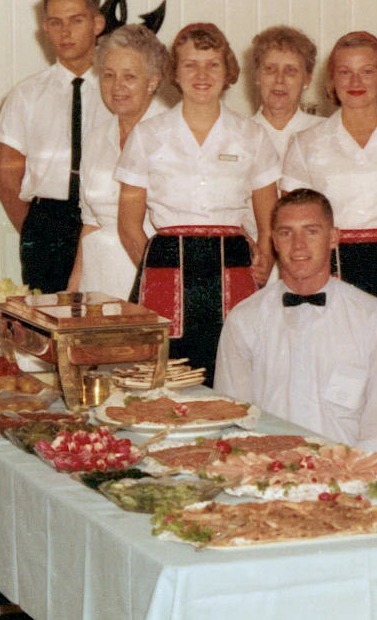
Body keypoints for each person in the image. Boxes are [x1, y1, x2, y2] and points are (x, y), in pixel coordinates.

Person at [116, 23, 280, 382]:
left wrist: (265, 256)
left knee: (237, 368)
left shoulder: (252, 136)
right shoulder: (148, 135)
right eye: (190, 64)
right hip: (167, 263)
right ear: (174, 72)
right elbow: (129, 223)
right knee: (165, 374)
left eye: (213, 64)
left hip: (233, 263)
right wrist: (154, 270)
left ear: (228, 72)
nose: (202, 75)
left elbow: (268, 217)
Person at [215, 190, 377, 457]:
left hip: (345, 479)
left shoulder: (371, 317)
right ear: (273, 241)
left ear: (333, 237)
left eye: (311, 231)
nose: (298, 246)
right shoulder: (244, 319)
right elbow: (232, 420)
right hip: (267, 474)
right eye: (286, 233)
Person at [281, 32, 377, 340]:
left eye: (367, 71)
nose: (355, 81)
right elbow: (294, 224)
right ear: (331, 80)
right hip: (329, 264)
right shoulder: (306, 144)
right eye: (345, 72)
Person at [0, 0, 107, 293]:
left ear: (97, 23)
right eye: (55, 23)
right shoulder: (26, 96)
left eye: (76, 21)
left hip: (105, 215)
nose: (65, 32)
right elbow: (6, 179)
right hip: (49, 223)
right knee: (49, 321)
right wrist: (35, 230)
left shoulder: (118, 91)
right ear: (45, 28)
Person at [68, 25, 166, 298]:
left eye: (129, 76)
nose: (117, 86)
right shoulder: (96, 138)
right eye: (108, 75)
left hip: (147, 276)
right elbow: (90, 223)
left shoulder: (171, 135)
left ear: (153, 80)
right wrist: (73, 291)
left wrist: (159, 289)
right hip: (97, 282)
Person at [247, 26, 322, 160]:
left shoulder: (324, 132)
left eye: (290, 70)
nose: (279, 79)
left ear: (307, 79)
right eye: (270, 69)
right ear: (257, 75)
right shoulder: (239, 133)